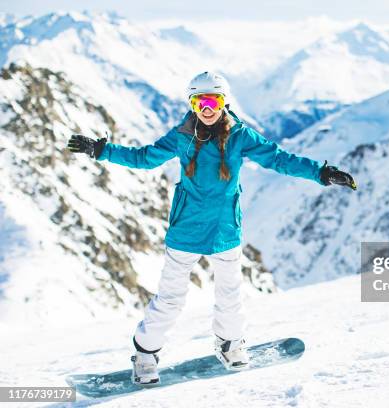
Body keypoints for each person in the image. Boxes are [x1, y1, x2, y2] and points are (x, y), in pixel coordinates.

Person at [67, 71, 356, 385]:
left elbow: (279, 159)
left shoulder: (241, 137)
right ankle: (146, 355)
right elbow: (145, 158)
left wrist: (322, 174)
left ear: (224, 102)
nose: (207, 108)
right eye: (199, 101)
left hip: (224, 230)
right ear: (192, 104)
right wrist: (101, 150)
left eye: (213, 100)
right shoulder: (181, 136)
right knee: (171, 298)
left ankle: (230, 344)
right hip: (186, 229)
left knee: (230, 294)